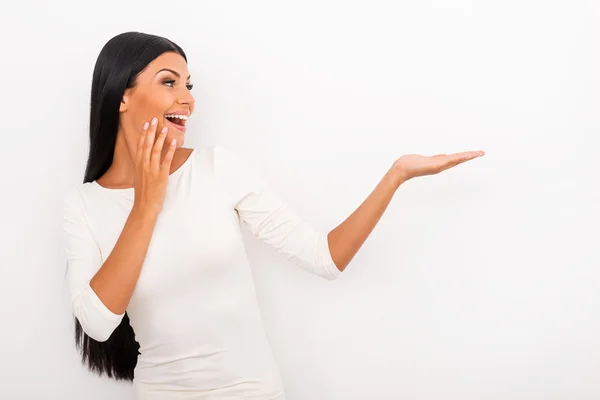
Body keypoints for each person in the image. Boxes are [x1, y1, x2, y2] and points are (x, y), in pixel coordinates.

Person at [61, 31, 485, 400]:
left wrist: (397, 175)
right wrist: (147, 205)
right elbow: (98, 324)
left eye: (189, 85)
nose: (187, 99)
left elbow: (325, 259)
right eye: (169, 82)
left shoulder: (217, 168)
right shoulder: (84, 205)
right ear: (123, 95)